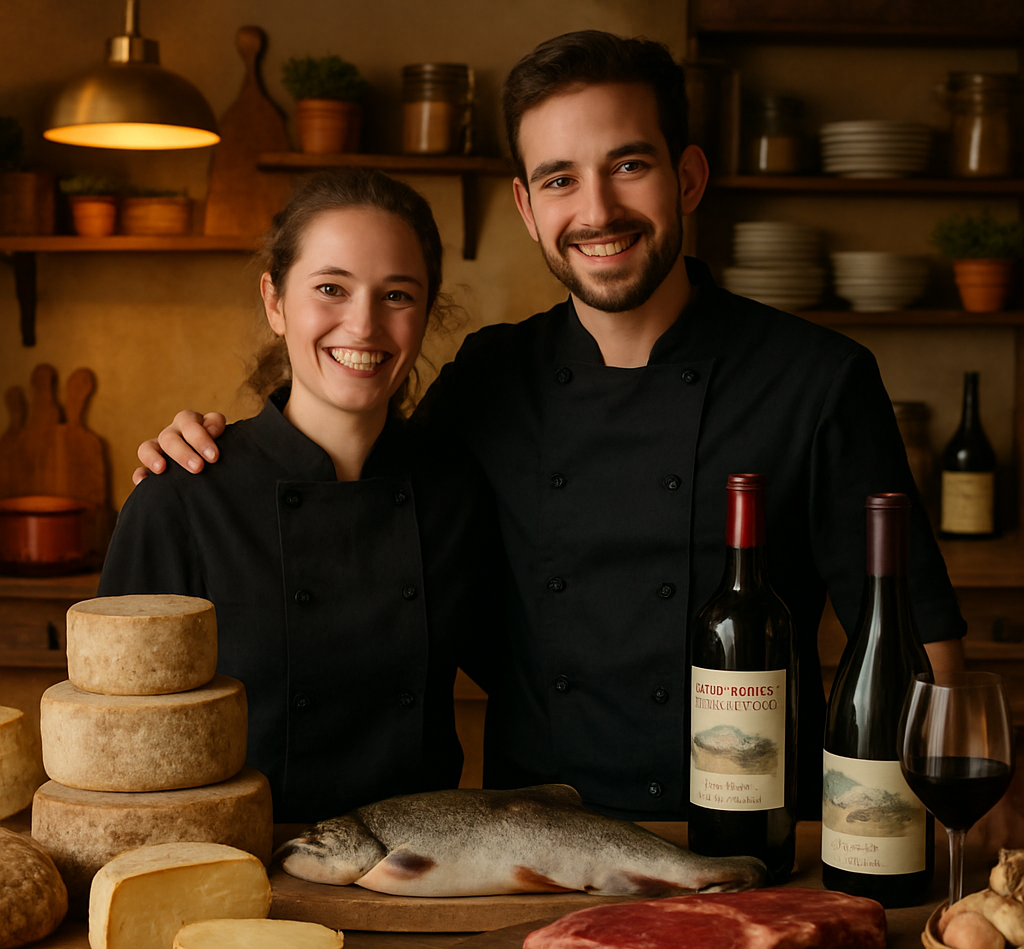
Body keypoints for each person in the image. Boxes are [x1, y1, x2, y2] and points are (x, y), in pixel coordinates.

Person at [133, 32, 966, 824]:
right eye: (560, 179)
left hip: (759, 840)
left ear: (687, 177)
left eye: (629, 165)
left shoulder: (818, 380)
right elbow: (358, 479)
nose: (597, 210)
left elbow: (915, 639)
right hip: (535, 851)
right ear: (528, 208)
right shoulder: (490, 377)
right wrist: (212, 458)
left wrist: (944, 834)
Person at [100, 168, 497, 824]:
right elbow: (114, 741)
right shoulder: (183, 498)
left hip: (419, 864)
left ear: (426, 313)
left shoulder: (457, 496)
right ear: (275, 301)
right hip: (236, 863)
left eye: (397, 294)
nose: (364, 325)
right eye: (331, 288)